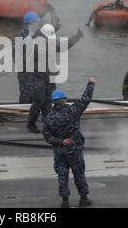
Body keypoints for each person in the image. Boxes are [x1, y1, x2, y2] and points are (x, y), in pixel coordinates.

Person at [43, 77, 95, 208]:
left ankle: (65, 201)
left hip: (60, 152)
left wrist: (61, 141)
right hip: (74, 150)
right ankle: (84, 199)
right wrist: (91, 83)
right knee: (79, 174)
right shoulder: (73, 111)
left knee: (62, 175)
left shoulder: (48, 118)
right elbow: (85, 99)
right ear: (64, 99)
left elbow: (48, 137)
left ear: (53, 102)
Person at [25, 23, 83, 133]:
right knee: (38, 101)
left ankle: (48, 122)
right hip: (36, 78)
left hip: (49, 78)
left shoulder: (50, 43)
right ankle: (31, 124)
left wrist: (76, 37)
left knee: (49, 100)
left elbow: (62, 46)